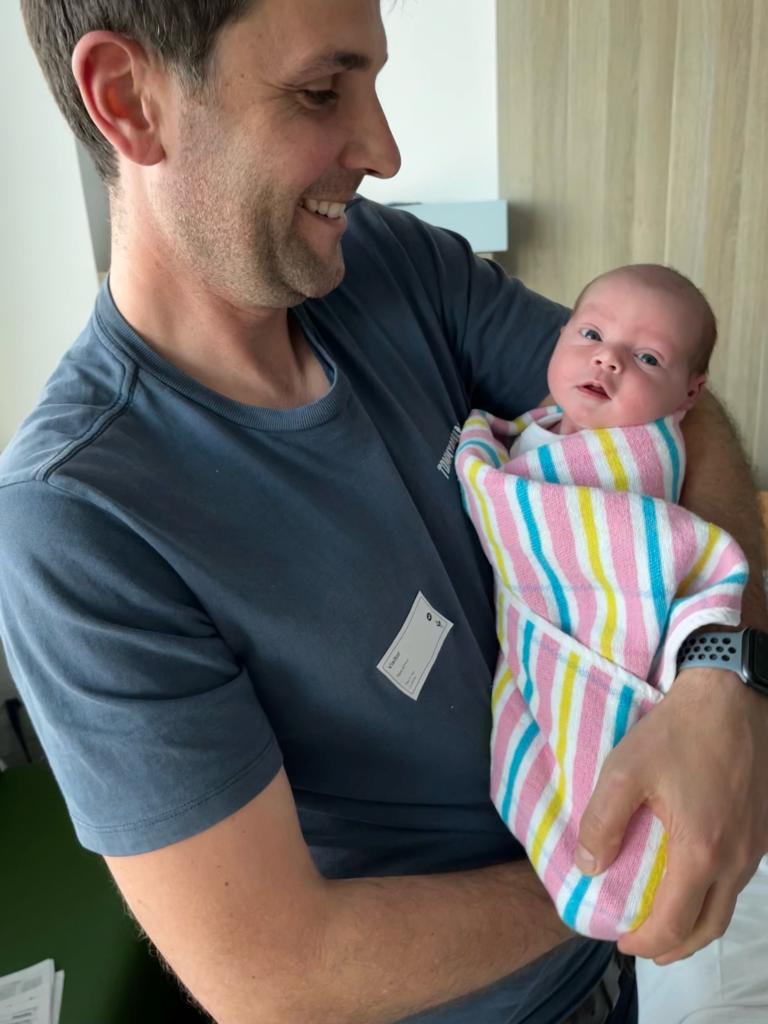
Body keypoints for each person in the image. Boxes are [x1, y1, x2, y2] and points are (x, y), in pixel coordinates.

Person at [0, 3, 766, 1022]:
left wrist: (725, 678)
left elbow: (675, 413)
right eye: (322, 91)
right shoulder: (79, 521)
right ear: (130, 101)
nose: (385, 150)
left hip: (615, 974)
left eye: (372, 82)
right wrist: (625, 866)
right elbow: (276, 971)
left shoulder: (391, 264)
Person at [456, 264, 749, 941]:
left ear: (690, 393)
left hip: (606, 645)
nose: (608, 358)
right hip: (532, 644)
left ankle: (620, 876)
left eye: (647, 358)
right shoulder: (533, 429)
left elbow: (671, 556)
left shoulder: (638, 460)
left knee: (610, 780)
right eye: (590, 335)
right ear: (559, 338)